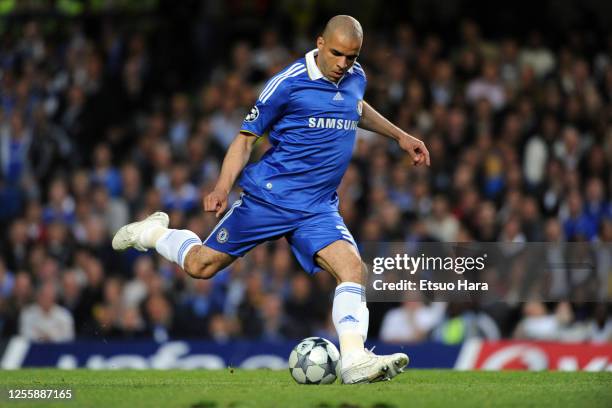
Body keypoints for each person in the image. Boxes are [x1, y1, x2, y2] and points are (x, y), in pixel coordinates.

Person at [112, 15, 430, 384]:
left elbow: (356, 107)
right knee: (201, 266)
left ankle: (355, 359)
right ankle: (153, 233)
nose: (344, 64)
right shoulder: (287, 84)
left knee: (353, 269)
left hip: (318, 207)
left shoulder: (355, 76)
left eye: (353, 57)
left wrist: (400, 136)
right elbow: (246, 139)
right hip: (270, 199)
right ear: (320, 43)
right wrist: (221, 187)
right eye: (339, 54)